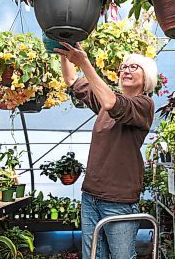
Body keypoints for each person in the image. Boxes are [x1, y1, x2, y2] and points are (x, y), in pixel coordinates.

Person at [55, 42, 158, 259]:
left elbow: (113, 103)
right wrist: (63, 50)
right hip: (91, 195)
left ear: (146, 76)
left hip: (118, 200)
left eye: (134, 67)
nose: (126, 70)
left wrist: (84, 62)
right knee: (93, 256)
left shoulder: (143, 105)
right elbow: (71, 80)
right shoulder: (105, 103)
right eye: (124, 66)